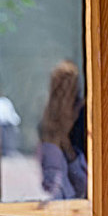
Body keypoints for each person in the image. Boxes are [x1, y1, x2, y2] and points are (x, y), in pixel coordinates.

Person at [39, 60, 87, 199]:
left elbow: (84, 182)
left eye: (67, 84)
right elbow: (48, 179)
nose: (62, 92)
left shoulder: (84, 115)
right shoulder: (48, 117)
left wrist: (66, 144)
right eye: (59, 85)